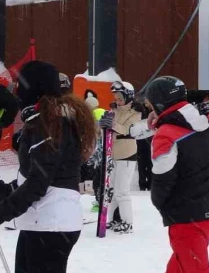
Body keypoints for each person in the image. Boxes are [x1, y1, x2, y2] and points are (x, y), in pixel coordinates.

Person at [0, 61, 95, 272]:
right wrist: (5, 191)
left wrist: (4, 211)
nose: (16, 91)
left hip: (52, 225)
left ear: (33, 88)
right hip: (39, 222)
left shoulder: (52, 123)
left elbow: (39, 182)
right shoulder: (44, 120)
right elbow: (35, 177)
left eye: (20, 85)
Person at [143, 76, 209, 273]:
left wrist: (159, 202)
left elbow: (163, 179)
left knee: (194, 269)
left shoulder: (166, 135)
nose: (150, 111)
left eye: (151, 107)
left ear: (160, 104)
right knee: (178, 267)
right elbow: (187, 120)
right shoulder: (204, 122)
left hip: (186, 218)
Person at [99, 81, 142, 234]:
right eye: (116, 98)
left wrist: (112, 124)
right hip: (113, 153)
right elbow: (108, 128)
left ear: (128, 96)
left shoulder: (136, 112)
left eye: (120, 98)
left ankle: (127, 222)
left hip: (127, 154)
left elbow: (127, 130)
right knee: (112, 189)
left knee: (122, 191)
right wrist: (103, 125)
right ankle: (112, 219)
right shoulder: (113, 110)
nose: (118, 101)